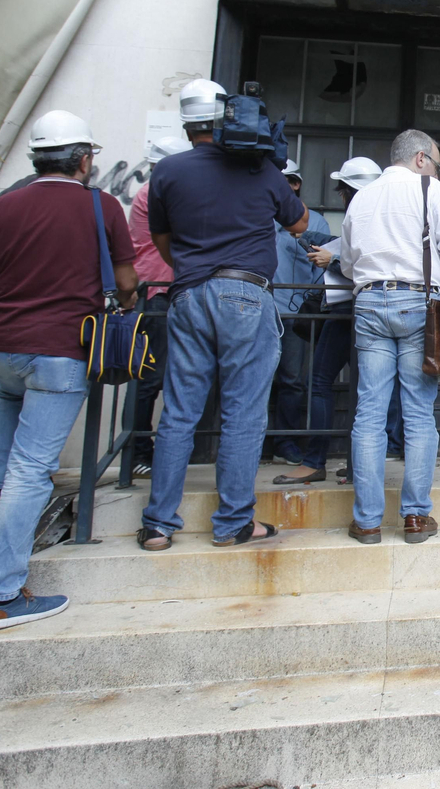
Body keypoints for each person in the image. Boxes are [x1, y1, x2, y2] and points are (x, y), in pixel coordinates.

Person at [0, 110, 137, 631]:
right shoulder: (101, 206)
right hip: (59, 351)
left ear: (38, 157)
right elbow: (126, 281)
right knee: (33, 471)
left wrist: (1, 323)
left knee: (9, 410)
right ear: (83, 160)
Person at [137, 78, 309, 551]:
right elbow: (300, 223)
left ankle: (158, 525)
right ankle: (233, 522)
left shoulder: (167, 172)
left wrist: (193, 270)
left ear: (188, 123)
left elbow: (163, 241)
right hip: (246, 294)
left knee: (178, 413)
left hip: (187, 294)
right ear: (229, 116)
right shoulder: (258, 168)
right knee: (243, 413)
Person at [341, 130, 440, 544]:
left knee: (369, 415)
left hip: (370, 303)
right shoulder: (430, 188)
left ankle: (368, 521)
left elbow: (347, 261)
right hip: (417, 305)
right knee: (418, 414)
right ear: (420, 158)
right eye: (438, 162)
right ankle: (414, 517)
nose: (436, 169)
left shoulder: (362, 196)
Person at [274, 156, 402, 485]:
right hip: (372, 310)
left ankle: (316, 460)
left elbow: (366, 264)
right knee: (370, 388)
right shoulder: (388, 214)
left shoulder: (363, 215)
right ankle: (358, 462)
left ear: (351, 191)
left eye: (343, 191)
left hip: (351, 309)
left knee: (321, 382)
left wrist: (332, 260)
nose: (341, 198)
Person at [126, 134, 191, 478]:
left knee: (159, 376)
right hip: (156, 292)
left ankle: (148, 450)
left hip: (164, 290)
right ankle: (138, 452)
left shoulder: (155, 191)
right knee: (149, 378)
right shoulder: (153, 194)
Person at [265, 159, 330, 468]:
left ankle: (284, 441)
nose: (285, 185)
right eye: (278, 180)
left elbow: (326, 267)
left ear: (296, 184)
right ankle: (255, 441)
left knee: (293, 380)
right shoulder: (260, 217)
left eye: (289, 181)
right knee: (255, 378)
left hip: (296, 313)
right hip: (261, 310)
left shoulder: (315, 222)